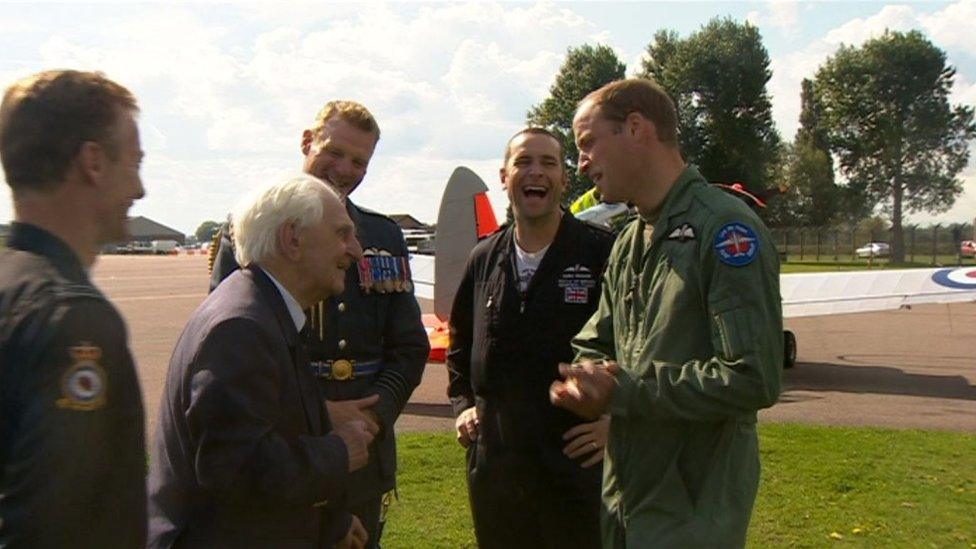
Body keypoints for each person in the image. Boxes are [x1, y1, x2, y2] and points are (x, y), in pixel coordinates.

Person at [550, 78, 783, 548]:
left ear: (636, 128)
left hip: (692, 512)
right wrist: (586, 376)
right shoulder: (630, 240)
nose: (581, 163)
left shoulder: (725, 229)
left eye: (588, 143)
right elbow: (598, 339)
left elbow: (753, 376)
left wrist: (623, 392)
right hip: (627, 500)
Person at [208, 101, 428, 546]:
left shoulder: (382, 236)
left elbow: (409, 347)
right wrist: (320, 413)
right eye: (334, 152)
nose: (344, 169)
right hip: (287, 447)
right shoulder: (252, 226)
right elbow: (230, 345)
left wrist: (374, 415)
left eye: (359, 161)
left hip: (365, 447)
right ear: (307, 142)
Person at [148, 174, 375, 548]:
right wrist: (339, 451)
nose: (356, 250)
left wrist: (326, 524)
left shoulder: (261, 310)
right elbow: (236, 469)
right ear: (292, 239)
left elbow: (274, 439)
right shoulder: (241, 327)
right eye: (341, 234)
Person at [447, 128, 615, 548]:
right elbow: (460, 346)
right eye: (523, 162)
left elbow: (641, 347)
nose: (535, 172)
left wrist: (620, 425)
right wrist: (464, 405)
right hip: (497, 469)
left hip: (577, 467)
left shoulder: (602, 253)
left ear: (564, 179)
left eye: (548, 163)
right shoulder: (484, 257)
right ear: (504, 176)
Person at [0, 69, 147, 547]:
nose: (140, 189)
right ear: (94, 161)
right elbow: (65, 525)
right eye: (134, 162)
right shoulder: (72, 320)